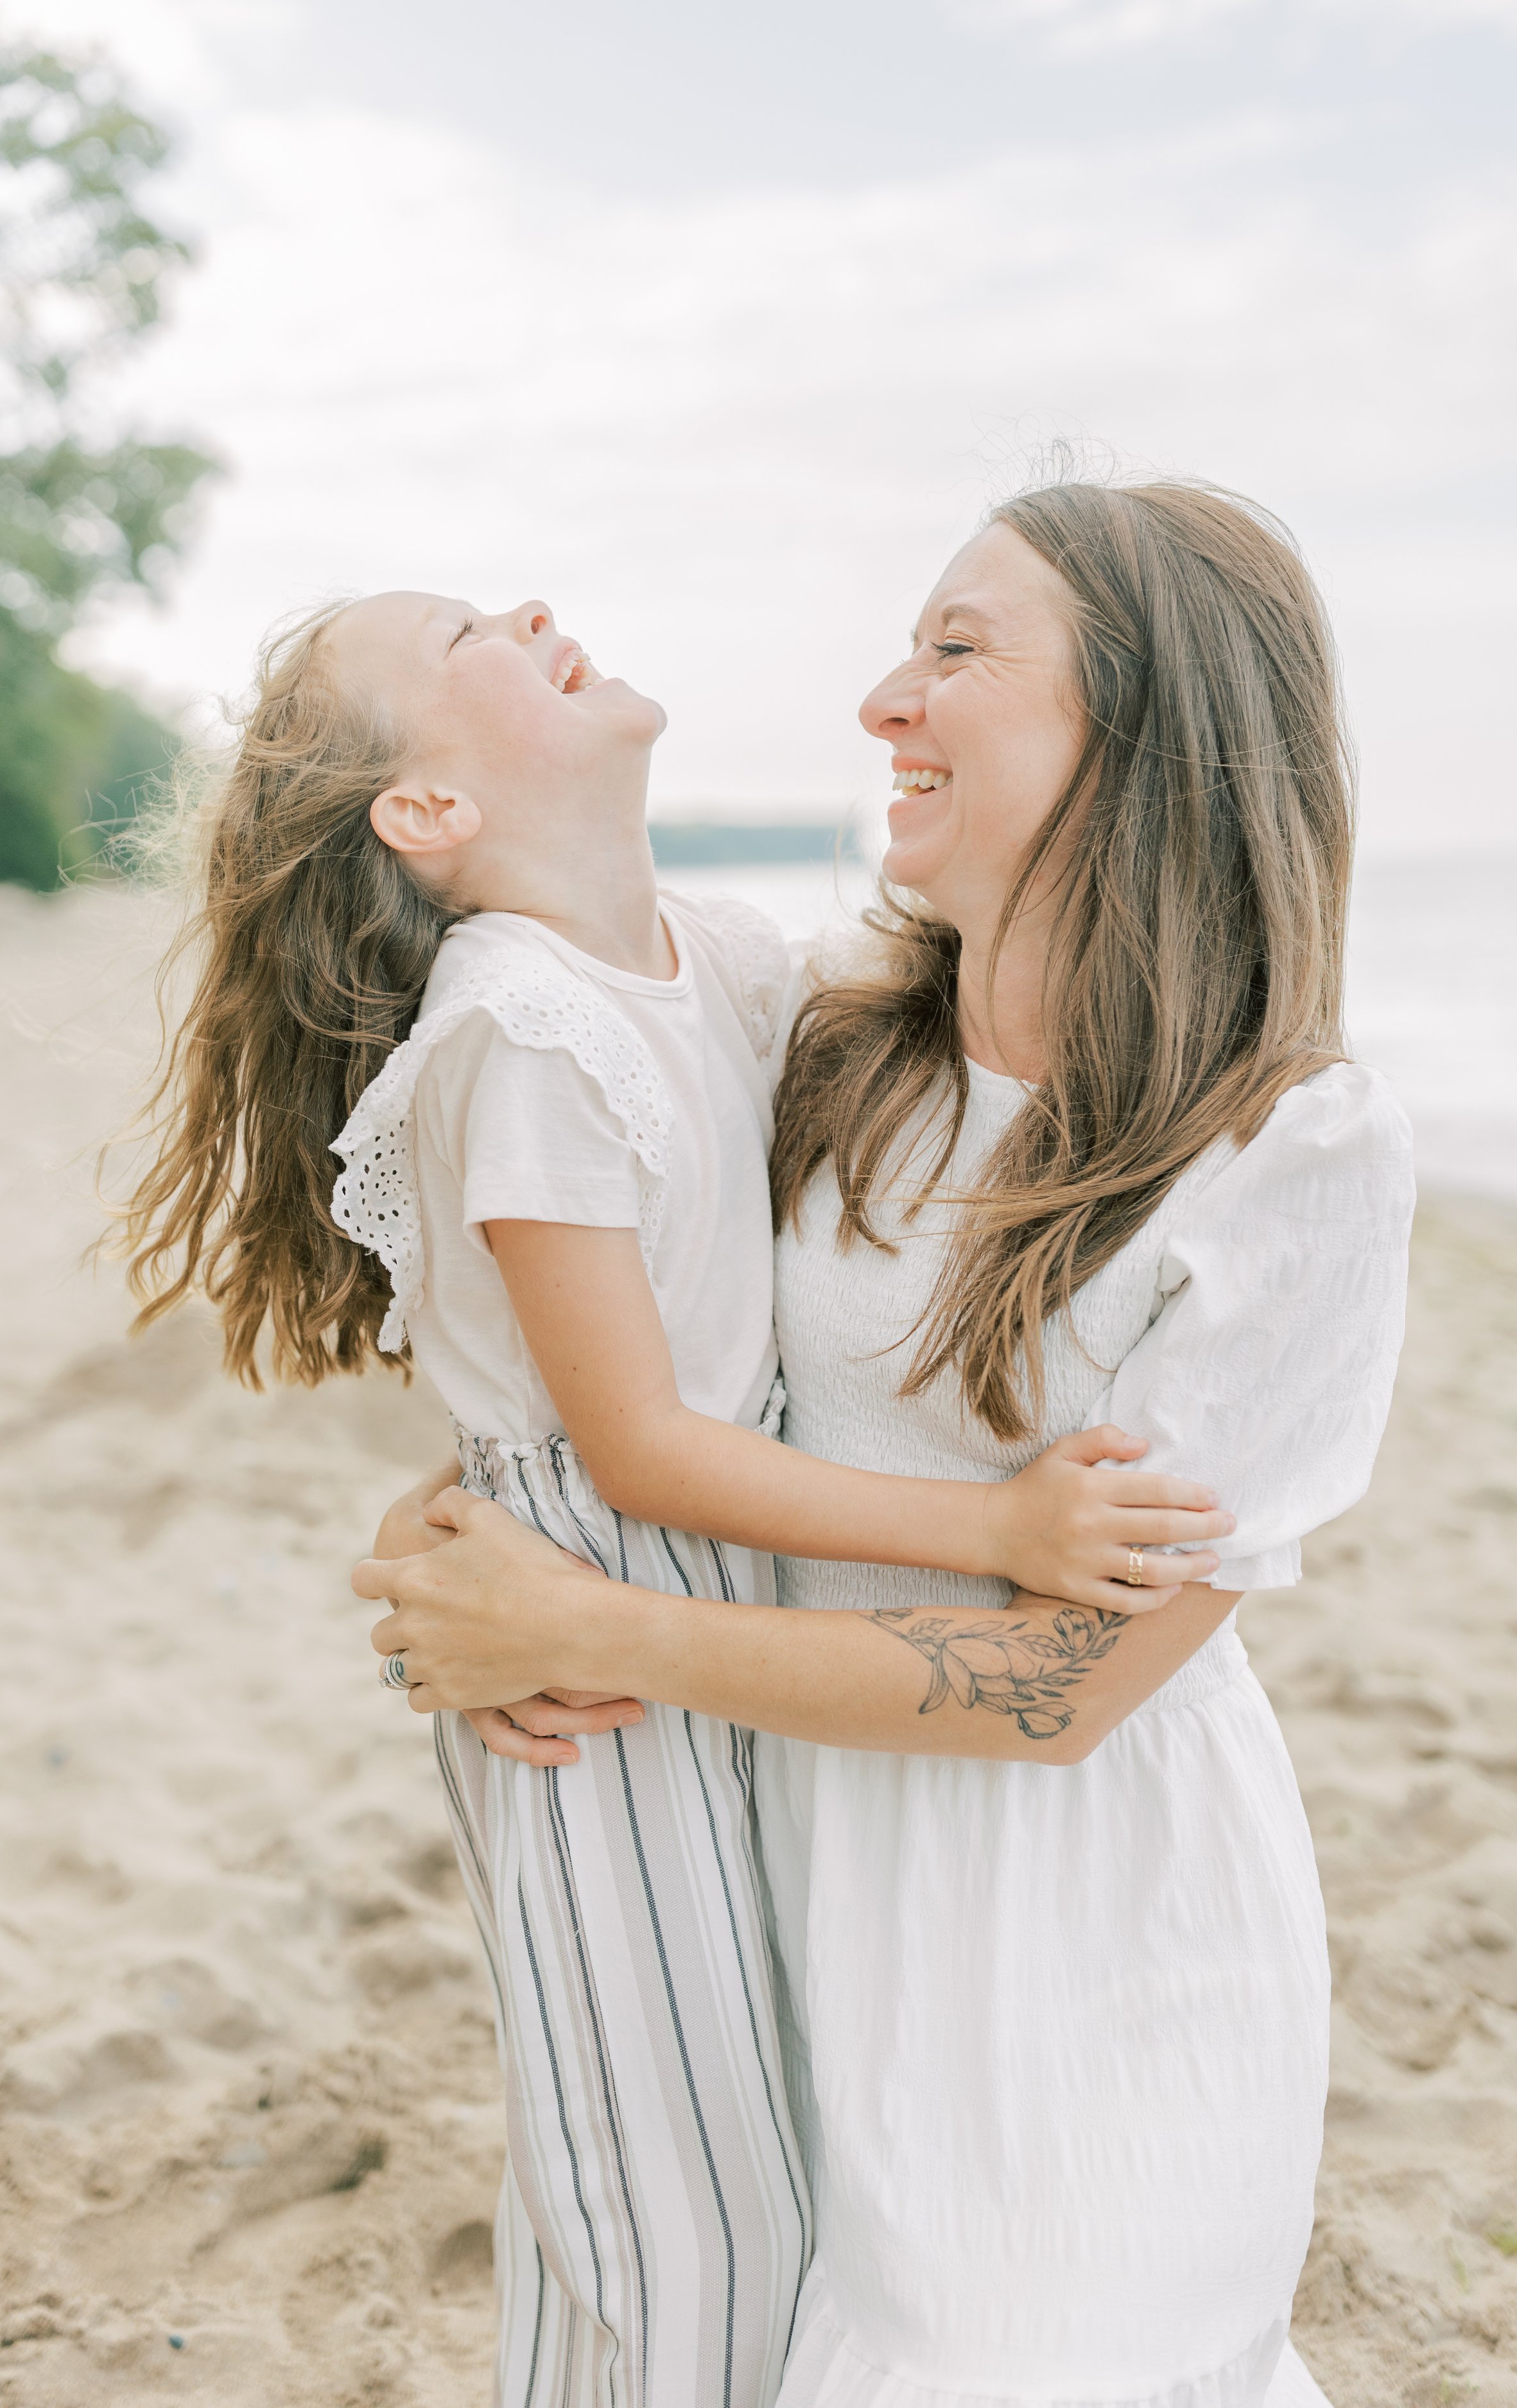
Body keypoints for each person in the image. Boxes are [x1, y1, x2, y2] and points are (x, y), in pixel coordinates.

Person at [356, 483, 1416, 2408]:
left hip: (1079, 1942)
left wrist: (593, 1633)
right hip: (790, 1882)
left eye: (954, 650)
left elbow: (1068, 1685)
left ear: (1144, 725)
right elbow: (644, 1353)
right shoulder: (830, 1047)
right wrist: (486, 1510)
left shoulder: (1290, 1149)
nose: (879, 700)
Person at [114, 582, 1228, 2408]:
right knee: (669, 2211)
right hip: (593, 1644)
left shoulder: (714, 958)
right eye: (474, 630)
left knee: (769, 2158)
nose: (536, 606)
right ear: (428, 812)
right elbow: (632, 1447)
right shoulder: (525, 1030)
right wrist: (1001, 1532)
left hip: (722, 1596)